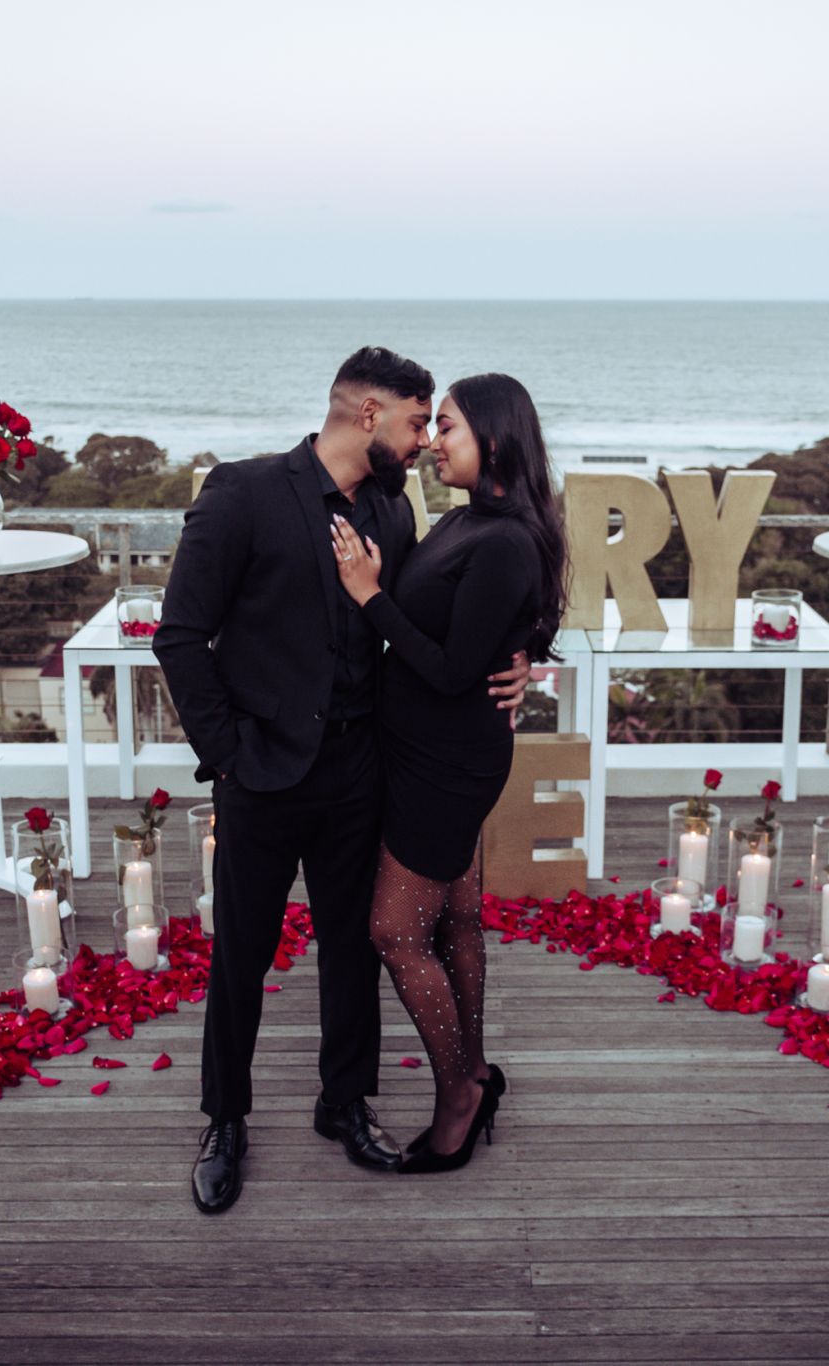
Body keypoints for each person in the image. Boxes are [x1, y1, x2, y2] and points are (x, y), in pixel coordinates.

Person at [154, 346, 531, 1214]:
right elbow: (181, 636)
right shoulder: (244, 492)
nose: (424, 441)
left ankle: (344, 1102)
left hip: (365, 772)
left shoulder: (397, 515)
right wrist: (231, 754)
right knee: (241, 956)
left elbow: (440, 617)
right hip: (262, 776)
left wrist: (519, 658)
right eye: (414, 420)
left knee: (353, 949)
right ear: (367, 414)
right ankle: (225, 1118)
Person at [329, 372, 568, 1174]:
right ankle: (474, 1070)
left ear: (496, 439)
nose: (433, 440)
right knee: (457, 920)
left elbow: (448, 667)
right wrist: (527, 649)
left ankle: (458, 1095)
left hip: (447, 763)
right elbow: (497, 624)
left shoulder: (500, 538)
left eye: (451, 427)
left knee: (396, 932)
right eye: (431, 428)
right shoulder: (475, 520)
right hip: (428, 752)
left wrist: (367, 595)